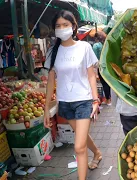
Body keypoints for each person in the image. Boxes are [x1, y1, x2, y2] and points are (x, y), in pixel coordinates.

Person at [43, 10, 102, 179]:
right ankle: (97, 153)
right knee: (81, 138)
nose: (62, 28)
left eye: (65, 25)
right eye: (58, 26)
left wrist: (95, 99)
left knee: (78, 147)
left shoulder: (84, 47)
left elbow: (91, 75)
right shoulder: (52, 52)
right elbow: (50, 82)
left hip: (84, 100)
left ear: (74, 26)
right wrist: (47, 109)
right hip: (65, 103)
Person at [93, 32, 112, 105]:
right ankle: (110, 99)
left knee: (104, 83)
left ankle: (108, 100)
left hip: (101, 67)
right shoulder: (106, 44)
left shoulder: (96, 46)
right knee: (108, 83)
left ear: (96, 38)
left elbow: (94, 59)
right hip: (108, 66)